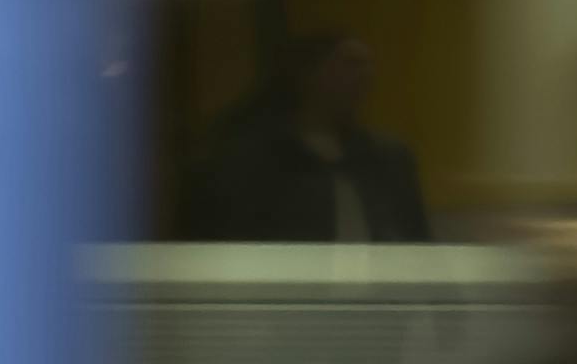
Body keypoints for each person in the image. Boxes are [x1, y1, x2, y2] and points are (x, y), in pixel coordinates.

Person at [181, 31, 432, 247]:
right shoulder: (251, 159)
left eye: (367, 65)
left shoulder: (388, 158)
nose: (365, 75)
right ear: (308, 73)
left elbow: (415, 238)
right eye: (350, 64)